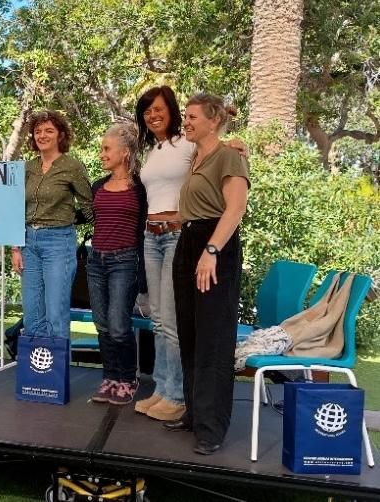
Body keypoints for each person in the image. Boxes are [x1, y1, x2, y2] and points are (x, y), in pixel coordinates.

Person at [133, 86, 246, 422]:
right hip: (152, 236)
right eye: (147, 111)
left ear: (172, 111)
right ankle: (161, 388)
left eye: (158, 109)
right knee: (157, 319)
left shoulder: (188, 143)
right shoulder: (153, 150)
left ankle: (177, 395)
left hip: (178, 236)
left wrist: (238, 146)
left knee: (171, 322)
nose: (152, 115)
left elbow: (220, 156)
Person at [163, 94, 249, 456]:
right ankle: (196, 414)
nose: (186, 121)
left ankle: (212, 429)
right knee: (191, 331)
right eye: (186, 116)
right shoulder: (197, 157)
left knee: (214, 338)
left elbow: (235, 209)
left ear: (214, 121)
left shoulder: (229, 156)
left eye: (192, 116)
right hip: (190, 240)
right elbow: (197, 208)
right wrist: (171, 223)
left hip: (215, 245)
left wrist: (211, 251)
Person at [11, 111, 93, 341]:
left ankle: (56, 376)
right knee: (32, 315)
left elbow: (89, 206)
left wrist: (102, 235)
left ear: (60, 135)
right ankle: (37, 373)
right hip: (28, 242)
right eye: (38, 131)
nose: (42, 135)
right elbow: (16, 208)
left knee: (56, 314)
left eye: (49, 130)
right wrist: (15, 248)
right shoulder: (27, 167)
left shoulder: (72, 166)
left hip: (59, 242)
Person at [87, 121, 148, 406]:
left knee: (118, 324)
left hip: (124, 261)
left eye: (106, 148)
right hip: (96, 260)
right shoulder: (98, 186)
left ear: (125, 152)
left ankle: (128, 378)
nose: (102, 153)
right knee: (101, 324)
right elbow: (90, 217)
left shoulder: (141, 188)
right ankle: (110, 377)